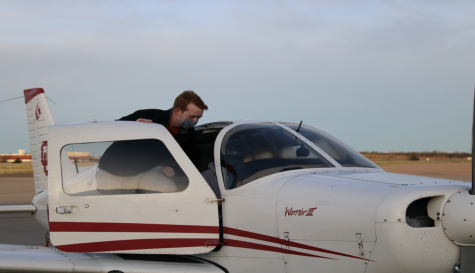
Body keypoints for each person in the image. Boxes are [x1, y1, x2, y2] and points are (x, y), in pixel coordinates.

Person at [96, 90, 208, 194]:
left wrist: (176, 169)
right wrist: (133, 125)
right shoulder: (148, 115)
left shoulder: (189, 133)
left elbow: (194, 159)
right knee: (118, 211)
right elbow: (113, 128)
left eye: (198, 117)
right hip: (114, 172)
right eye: (192, 117)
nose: (195, 121)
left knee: (168, 190)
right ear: (177, 111)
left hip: (147, 171)